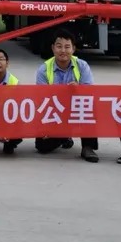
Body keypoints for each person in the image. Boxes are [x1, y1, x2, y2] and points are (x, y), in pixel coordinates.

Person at [34, 29, 98, 162]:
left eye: (67, 47)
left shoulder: (82, 65)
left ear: (73, 49)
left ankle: (88, 147)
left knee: (91, 107)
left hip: (76, 108)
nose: (63, 50)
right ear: (53, 48)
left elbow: (89, 93)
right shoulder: (43, 69)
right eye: (59, 46)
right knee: (42, 146)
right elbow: (42, 99)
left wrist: (78, 89)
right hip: (55, 110)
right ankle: (64, 136)